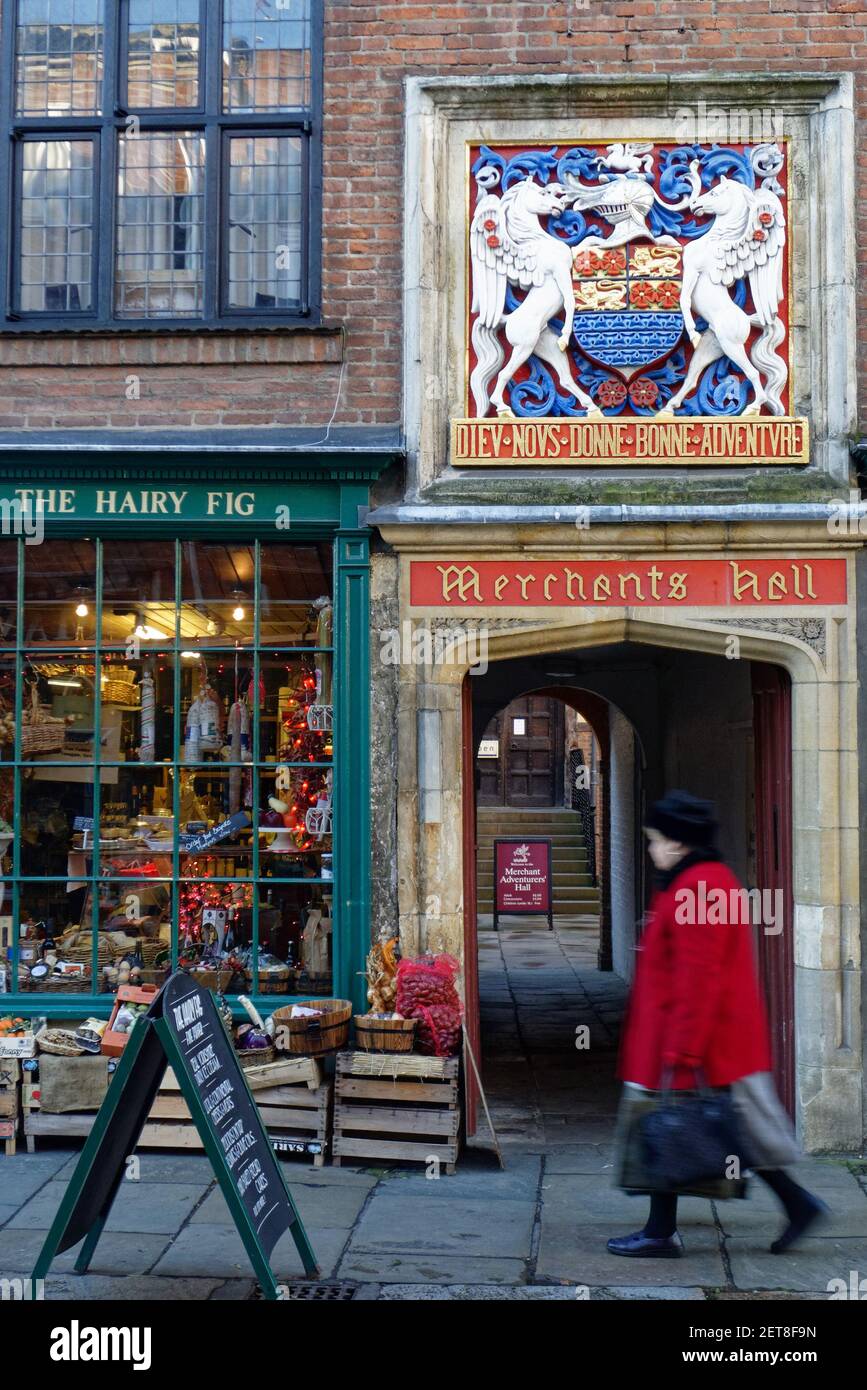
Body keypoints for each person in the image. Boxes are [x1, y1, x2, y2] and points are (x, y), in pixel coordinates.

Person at [608, 790, 827, 1259]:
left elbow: (698, 980)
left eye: (656, 839)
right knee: (704, 1132)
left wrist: (683, 1052)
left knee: (693, 1130)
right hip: (694, 1042)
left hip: (703, 1046)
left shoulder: (700, 888)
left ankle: (664, 1231)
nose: (651, 849)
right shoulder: (699, 881)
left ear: (680, 842)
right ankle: (791, 1205)